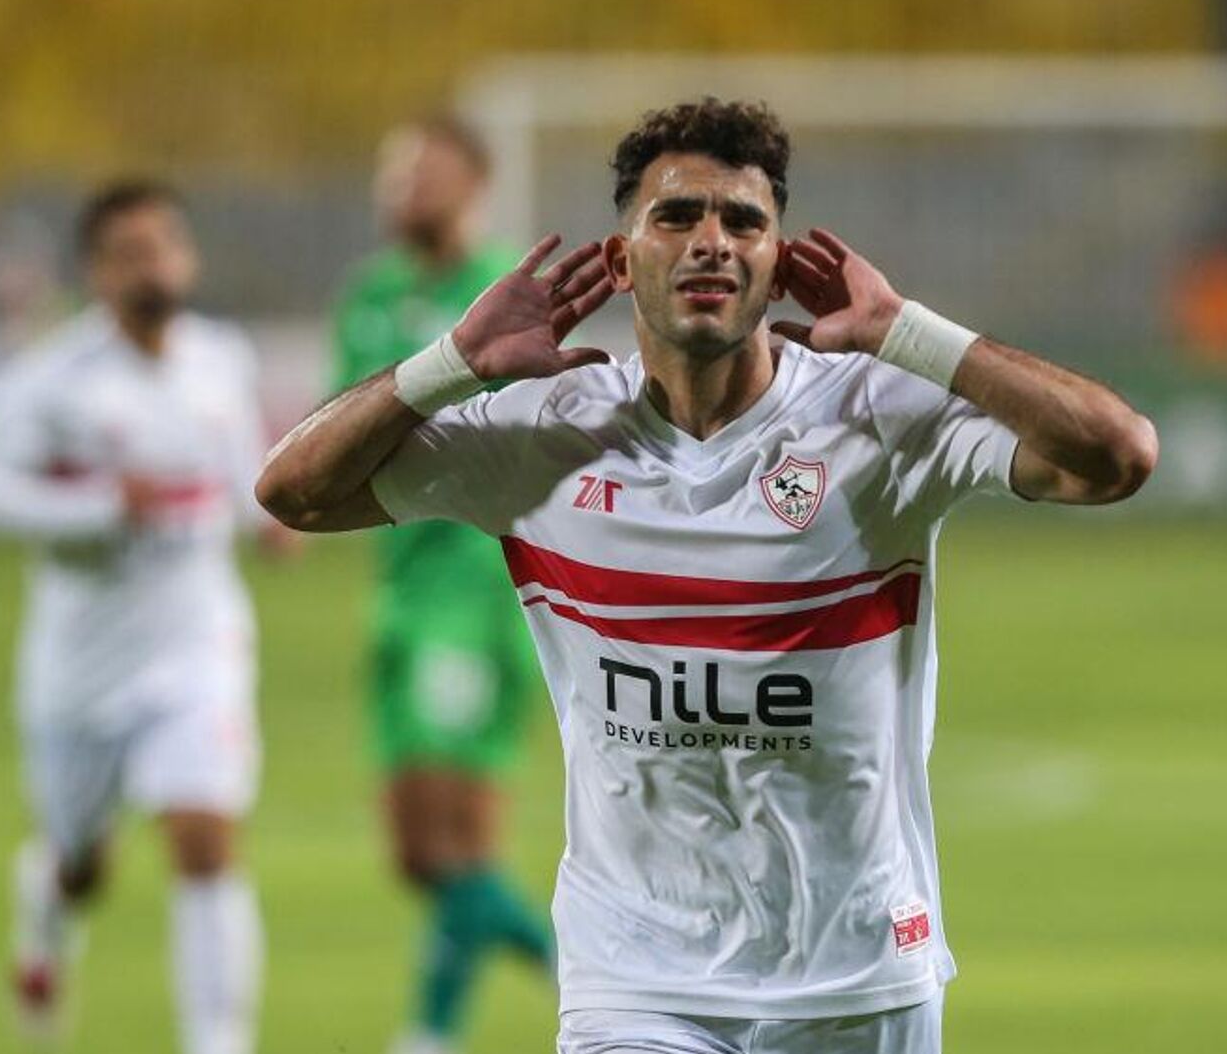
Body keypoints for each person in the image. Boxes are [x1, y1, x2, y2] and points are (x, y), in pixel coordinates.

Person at [256, 99, 1158, 1054]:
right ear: (621, 260)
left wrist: (904, 331)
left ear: (778, 265)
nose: (711, 242)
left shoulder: (877, 419)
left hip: (856, 978)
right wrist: (455, 364)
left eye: (743, 221)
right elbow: (293, 493)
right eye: (678, 216)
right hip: (636, 984)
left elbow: (1118, 456)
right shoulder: (545, 435)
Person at [0, 180, 269, 1054]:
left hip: (199, 645)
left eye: (164, 246)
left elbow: (244, 476)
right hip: (82, 668)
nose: (151, 265)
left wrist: (270, 519)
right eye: (129, 253)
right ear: (96, 273)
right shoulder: (51, 380)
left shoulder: (221, 359)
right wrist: (96, 507)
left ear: (188, 257)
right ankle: (45, 907)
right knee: (83, 865)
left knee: (205, 836)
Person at [329, 118, 553, 1054]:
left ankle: (437, 1032)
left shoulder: (507, 295)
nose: (401, 186)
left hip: (473, 592)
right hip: (398, 591)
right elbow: (340, 428)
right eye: (392, 170)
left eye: (422, 169)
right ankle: (584, 972)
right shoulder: (372, 296)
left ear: (475, 181)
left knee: (455, 842)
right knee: (421, 857)